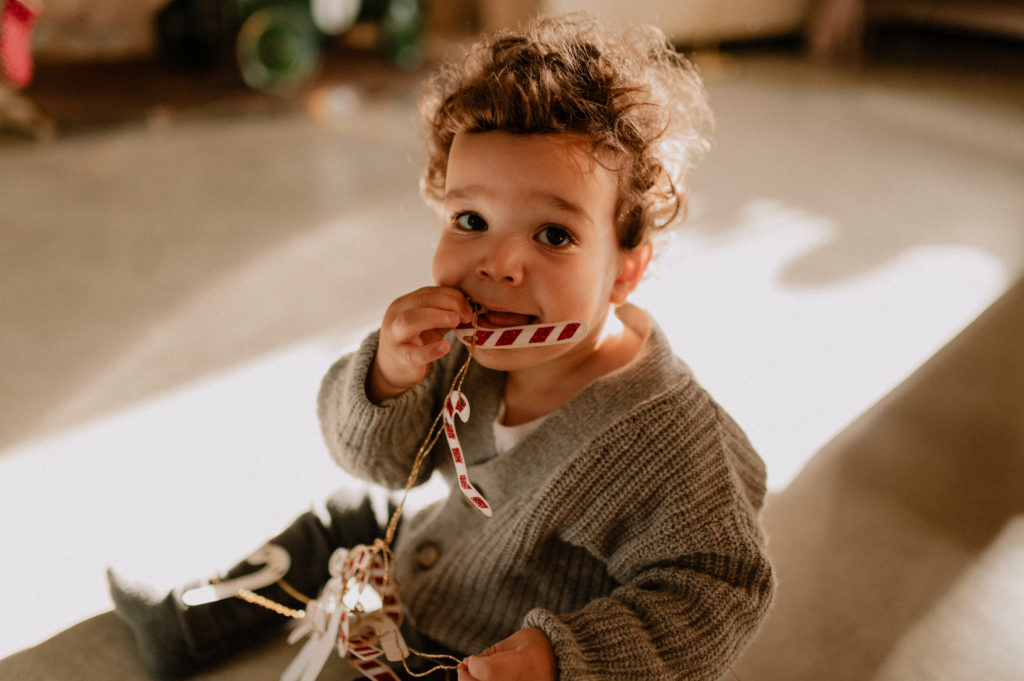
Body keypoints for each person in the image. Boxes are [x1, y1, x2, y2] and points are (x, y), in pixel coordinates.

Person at [109, 14, 774, 681]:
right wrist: (387, 378)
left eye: (553, 235)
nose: (500, 263)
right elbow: (377, 462)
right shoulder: (455, 350)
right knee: (348, 518)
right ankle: (191, 623)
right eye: (471, 220)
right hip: (439, 551)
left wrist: (560, 658)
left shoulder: (670, 441)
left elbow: (718, 589)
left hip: (485, 660)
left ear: (626, 270)